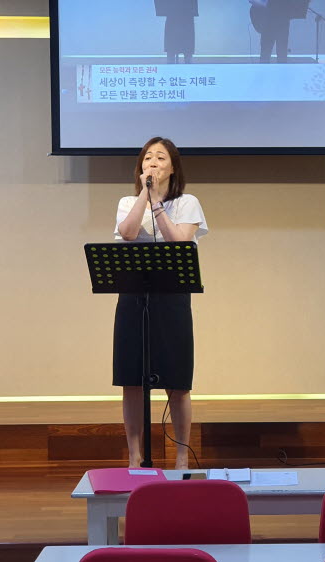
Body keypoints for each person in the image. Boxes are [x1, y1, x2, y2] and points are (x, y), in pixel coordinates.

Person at [114, 137, 208, 469]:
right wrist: (145, 195)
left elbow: (179, 242)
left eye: (160, 157)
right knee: (131, 379)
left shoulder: (187, 202)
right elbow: (127, 233)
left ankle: (181, 458)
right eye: (147, 158)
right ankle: (135, 456)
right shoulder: (128, 201)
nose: (152, 162)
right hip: (133, 295)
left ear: (173, 167)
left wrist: (157, 204)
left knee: (177, 381)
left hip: (172, 296)